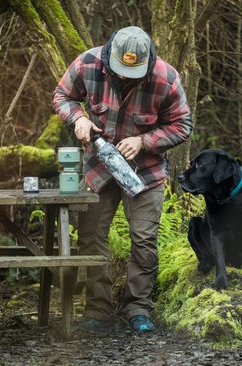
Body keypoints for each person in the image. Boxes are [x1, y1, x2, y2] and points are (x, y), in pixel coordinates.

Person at [52, 26, 192, 334]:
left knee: (143, 239)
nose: (127, 76)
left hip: (146, 171)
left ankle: (138, 308)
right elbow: (62, 95)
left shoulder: (165, 78)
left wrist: (145, 141)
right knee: (90, 237)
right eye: (122, 70)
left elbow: (182, 124)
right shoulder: (87, 63)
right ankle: (98, 312)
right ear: (110, 54)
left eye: (134, 71)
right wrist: (78, 118)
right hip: (98, 168)